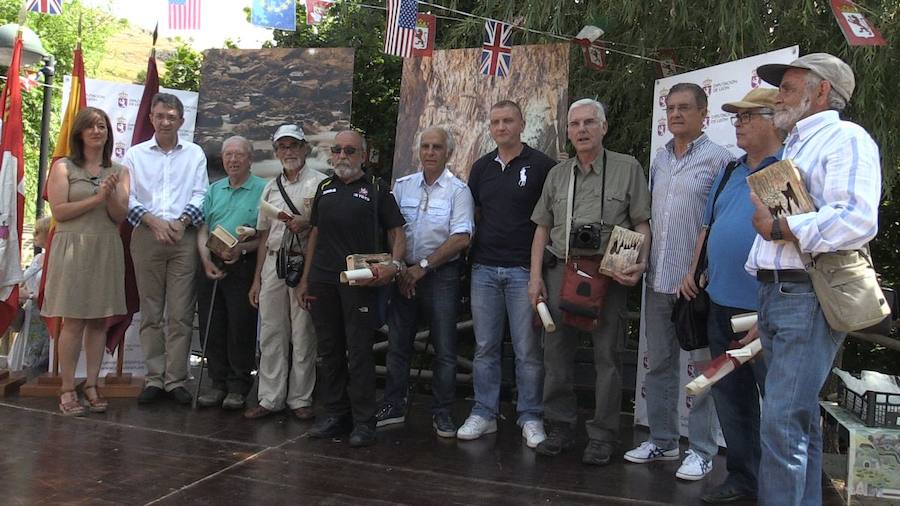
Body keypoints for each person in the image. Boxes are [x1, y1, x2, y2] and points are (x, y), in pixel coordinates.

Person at [749, 53, 880, 506]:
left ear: (821, 90)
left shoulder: (847, 138)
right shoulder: (795, 146)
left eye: (787, 87)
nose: (778, 96)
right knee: (795, 423)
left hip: (803, 294)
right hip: (779, 292)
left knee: (783, 423)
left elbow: (857, 218)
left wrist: (782, 228)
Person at [528, 99, 651, 465]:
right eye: (574, 124)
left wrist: (640, 264)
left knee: (607, 358)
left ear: (604, 127)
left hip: (607, 275)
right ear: (567, 131)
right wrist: (534, 277)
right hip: (559, 270)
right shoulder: (557, 174)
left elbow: (642, 222)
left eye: (588, 123)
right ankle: (561, 427)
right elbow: (541, 228)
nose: (581, 130)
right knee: (556, 356)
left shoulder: (627, 168)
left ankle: (602, 436)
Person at [676, 89, 782, 503]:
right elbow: (707, 227)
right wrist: (693, 269)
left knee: (776, 403)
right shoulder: (730, 171)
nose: (737, 123)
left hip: (764, 309)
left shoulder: (781, 171)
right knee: (730, 398)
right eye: (735, 117)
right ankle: (742, 479)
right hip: (720, 305)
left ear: (774, 119)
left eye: (747, 116)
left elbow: (791, 236)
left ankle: (777, 485)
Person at [626, 83, 733, 481]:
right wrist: (639, 261)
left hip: (696, 286)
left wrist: (702, 271)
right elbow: (651, 220)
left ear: (704, 113)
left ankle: (702, 450)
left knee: (704, 369)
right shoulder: (659, 158)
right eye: (670, 108)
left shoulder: (721, 161)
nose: (675, 115)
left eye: (684, 108)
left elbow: (719, 224)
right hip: (658, 280)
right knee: (661, 367)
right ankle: (664, 441)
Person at [297, 130, 406, 447]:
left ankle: (363, 421)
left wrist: (394, 267)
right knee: (329, 350)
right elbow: (314, 234)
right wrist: (305, 279)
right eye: (337, 150)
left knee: (359, 352)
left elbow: (397, 233)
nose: (342, 156)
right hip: (322, 280)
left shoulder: (376, 189)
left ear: (363, 155)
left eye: (350, 151)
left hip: (360, 282)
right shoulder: (324, 187)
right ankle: (335, 415)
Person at [457, 100, 555, 448]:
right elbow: (475, 215)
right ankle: (484, 412)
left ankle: (530, 415)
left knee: (528, 350)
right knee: (485, 347)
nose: (501, 127)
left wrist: (538, 271)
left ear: (521, 123)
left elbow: (550, 220)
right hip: (484, 268)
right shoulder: (481, 167)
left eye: (508, 120)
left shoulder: (542, 165)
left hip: (523, 270)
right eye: (496, 121)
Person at [376, 126, 474, 438]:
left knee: (445, 348)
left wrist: (423, 267)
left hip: (441, 275)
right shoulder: (402, 187)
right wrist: (402, 268)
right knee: (398, 344)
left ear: (449, 153)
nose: (430, 152)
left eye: (437, 147)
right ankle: (393, 405)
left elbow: (461, 238)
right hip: (404, 273)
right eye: (426, 147)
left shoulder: (459, 191)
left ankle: (442, 412)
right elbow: (392, 229)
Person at [123, 93, 208, 405]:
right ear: (152, 118)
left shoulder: (194, 153)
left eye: (172, 116)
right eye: (160, 115)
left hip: (183, 237)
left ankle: (175, 381)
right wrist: (153, 221)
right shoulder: (135, 155)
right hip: (147, 235)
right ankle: (154, 379)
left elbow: (201, 192)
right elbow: (127, 197)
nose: (166, 121)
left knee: (181, 313)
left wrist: (182, 222)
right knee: (151, 312)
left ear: (181, 121)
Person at [42, 107, 128, 415]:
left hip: (105, 246)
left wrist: (112, 195)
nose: (97, 131)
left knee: (98, 321)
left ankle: (91, 383)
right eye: (91, 127)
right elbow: (59, 212)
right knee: (74, 321)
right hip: (72, 246)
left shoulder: (119, 169)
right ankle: (67, 387)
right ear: (79, 132)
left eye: (103, 126)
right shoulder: (63, 167)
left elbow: (120, 216)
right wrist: (95, 198)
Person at [244, 124, 326, 420]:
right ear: (276, 152)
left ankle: (301, 398)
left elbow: (324, 229)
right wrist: (257, 279)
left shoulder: (320, 184)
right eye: (283, 147)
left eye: (294, 145)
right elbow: (264, 235)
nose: (289, 151)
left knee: (304, 332)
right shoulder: (269, 187)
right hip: (273, 263)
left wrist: (307, 225)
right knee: (271, 332)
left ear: (305, 148)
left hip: (304, 263)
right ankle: (270, 398)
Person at [195, 136, 265, 411]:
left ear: (250, 159)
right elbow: (202, 229)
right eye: (228, 155)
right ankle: (217, 382)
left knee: (240, 325)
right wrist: (205, 261)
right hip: (212, 260)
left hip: (243, 261)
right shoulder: (214, 190)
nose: (233, 160)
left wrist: (242, 249)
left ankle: (238, 385)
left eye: (239, 155)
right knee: (212, 324)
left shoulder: (263, 189)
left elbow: (266, 236)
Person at [19, 216, 51, 372]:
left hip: (45, 311)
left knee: (41, 355)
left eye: (38, 232)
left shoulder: (54, 259)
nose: (34, 236)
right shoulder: (38, 258)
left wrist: (31, 295)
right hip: (31, 312)